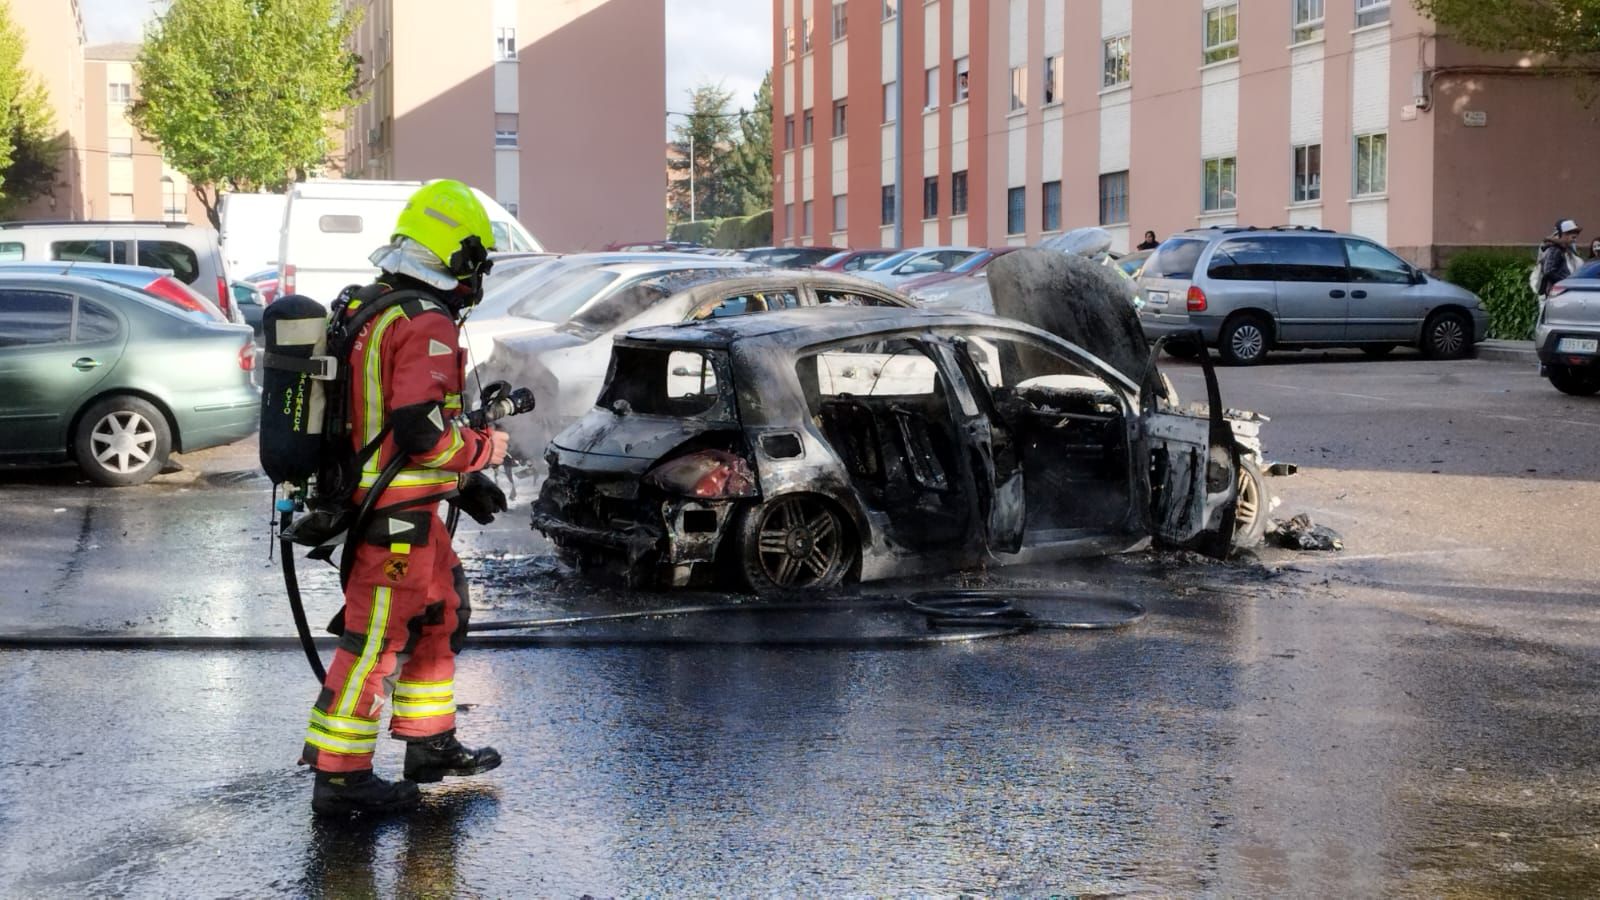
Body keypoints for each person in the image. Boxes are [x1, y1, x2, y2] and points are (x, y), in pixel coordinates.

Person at [303, 180, 510, 816]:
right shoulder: (427, 323)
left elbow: (388, 424)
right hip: (393, 515)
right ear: (457, 256)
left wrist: (461, 481)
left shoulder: (372, 306)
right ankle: (341, 780)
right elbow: (423, 430)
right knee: (375, 641)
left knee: (440, 613)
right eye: (477, 261)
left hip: (401, 505)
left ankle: (430, 742)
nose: (478, 277)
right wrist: (483, 451)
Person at [1537, 219, 1583, 298]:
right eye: (1569, 232)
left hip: (1563, 293)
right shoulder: (1555, 249)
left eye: (1575, 232)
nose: (1574, 236)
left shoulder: (1568, 250)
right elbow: (1549, 271)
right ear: (1561, 235)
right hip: (1557, 294)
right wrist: (1567, 281)